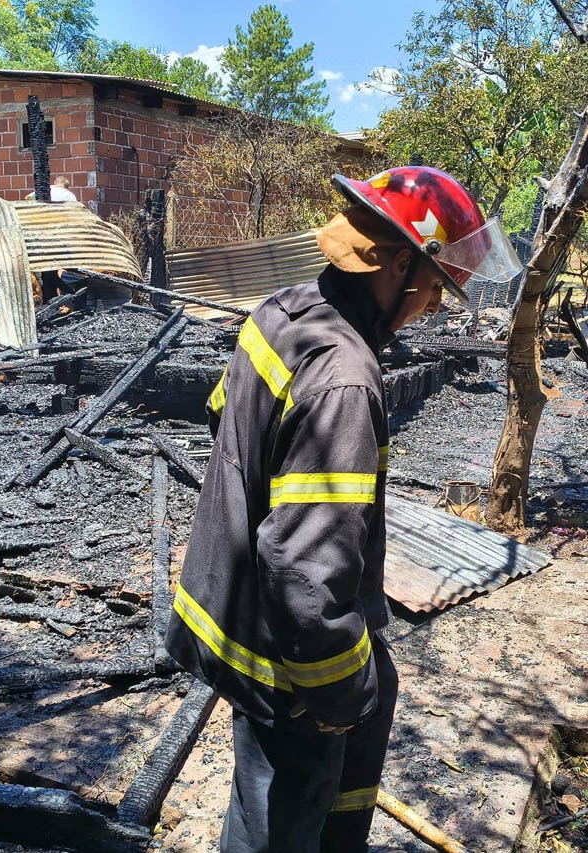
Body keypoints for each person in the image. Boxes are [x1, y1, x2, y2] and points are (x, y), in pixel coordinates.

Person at [165, 166, 522, 853]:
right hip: (286, 661)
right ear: (398, 265)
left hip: (235, 610)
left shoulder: (281, 312)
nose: (434, 308)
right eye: (435, 288)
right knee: (281, 819)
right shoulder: (345, 379)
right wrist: (338, 698)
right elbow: (302, 571)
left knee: (291, 788)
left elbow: (224, 420)